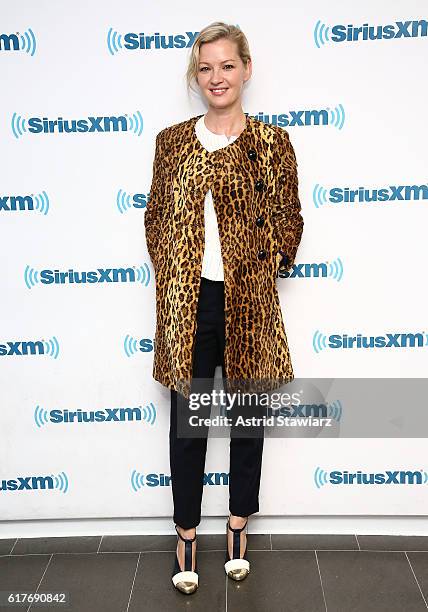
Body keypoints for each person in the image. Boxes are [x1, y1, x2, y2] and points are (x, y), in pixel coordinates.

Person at [144, 22, 304, 594]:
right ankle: (185, 530)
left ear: (246, 69)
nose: (217, 76)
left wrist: (272, 261)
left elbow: (291, 216)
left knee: (246, 422)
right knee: (189, 426)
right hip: (190, 303)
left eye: (227, 65)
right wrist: (171, 276)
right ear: (196, 76)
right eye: (206, 67)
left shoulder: (272, 142)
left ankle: (238, 524)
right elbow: (156, 220)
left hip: (251, 302)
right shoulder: (172, 142)